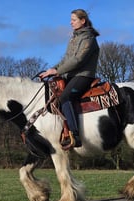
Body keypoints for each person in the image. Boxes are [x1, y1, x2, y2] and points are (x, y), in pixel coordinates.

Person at [40, 9, 100, 149]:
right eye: (71, 20)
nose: (70, 22)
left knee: (65, 97)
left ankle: (75, 135)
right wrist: (51, 70)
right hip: (71, 75)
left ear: (82, 21)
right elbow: (66, 60)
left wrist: (58, 71)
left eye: (74, 20)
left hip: (83, 75)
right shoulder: (74, 38)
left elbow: (78, 60)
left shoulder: (88, 38)